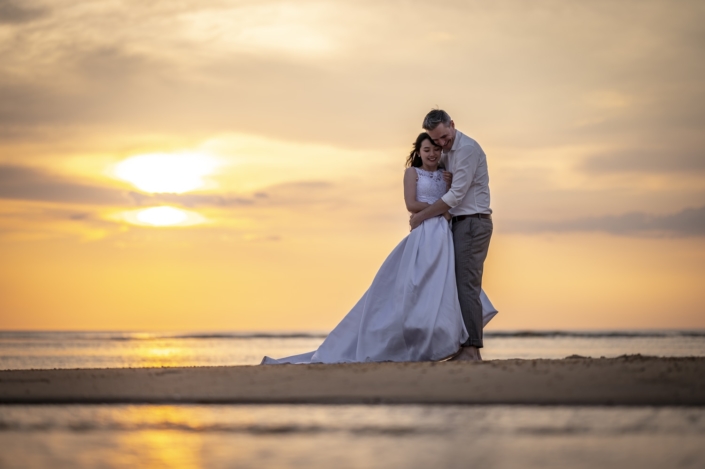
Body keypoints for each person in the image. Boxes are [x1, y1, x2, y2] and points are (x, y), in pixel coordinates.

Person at [261, 132, 497, 365]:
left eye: (436, 149)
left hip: (444, 233)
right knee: (414, 284)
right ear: (418, 152)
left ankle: (446, 341)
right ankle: (407, 339)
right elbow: (411, 204)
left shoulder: (446, 174)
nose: (432, 153)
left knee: (446, 286)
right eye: (427, 150)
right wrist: (431, 211)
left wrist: (442, 200)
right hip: (424, 234)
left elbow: (450, 207)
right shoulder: (412, 173)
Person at [410, 110, 493, 361]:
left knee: (466, 285)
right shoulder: (446, 151)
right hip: (456, 223)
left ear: (453, 125)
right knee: (454, 284)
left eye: (445, 137)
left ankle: (471, 350)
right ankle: (460, 346)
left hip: (472, 222)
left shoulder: (467, 149)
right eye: (437, 141)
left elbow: (455, 197)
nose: (442, 144)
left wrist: (420, 217)